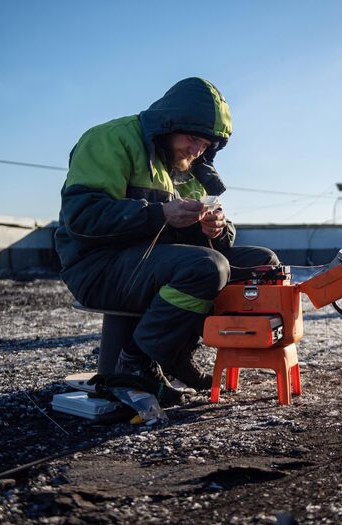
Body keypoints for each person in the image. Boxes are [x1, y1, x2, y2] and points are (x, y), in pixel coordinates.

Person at [54, 77, 279, 406]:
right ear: (168, 124)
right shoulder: (109, 139)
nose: (197, 150)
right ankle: (134, 363)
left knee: (262, 263)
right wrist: (160, 214)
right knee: (206, 267)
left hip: (149, 262)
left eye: (205, 144)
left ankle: (175, 353)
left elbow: (202, 240)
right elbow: (82, 216)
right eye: (192, 139)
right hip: (97, 266)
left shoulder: (185, 166)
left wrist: (215, 229)